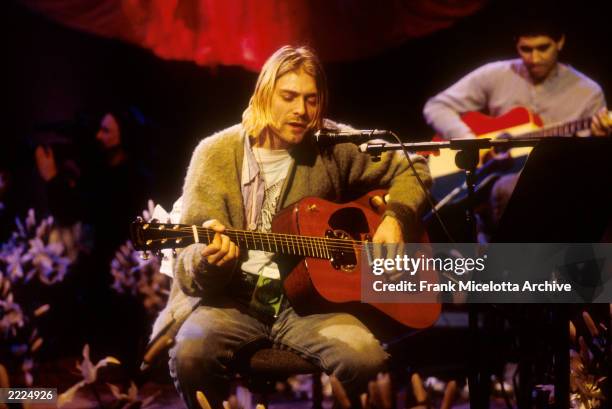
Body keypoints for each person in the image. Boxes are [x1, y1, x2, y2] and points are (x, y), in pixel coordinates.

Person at [151, 45, 431, 408]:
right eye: (289, 97)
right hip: (232, 302)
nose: (302, 110)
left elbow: (415, 166)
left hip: (309, 306)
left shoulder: (331, 144)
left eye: (312, 100)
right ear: (265, 94)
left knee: (366, 359)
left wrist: (396, 218)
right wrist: (207, 261)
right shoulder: (214, 154)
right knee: (190, 356)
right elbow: (187, 258)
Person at [423, 22, 611, 140]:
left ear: (560, 42)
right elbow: (436, 107)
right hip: (493, 175)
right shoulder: (495, 73)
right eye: (526, 50)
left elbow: (590, 161)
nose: (535, 58)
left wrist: (599, 139)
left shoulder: (589, 92)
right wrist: (465, 138)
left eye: (543, 48)